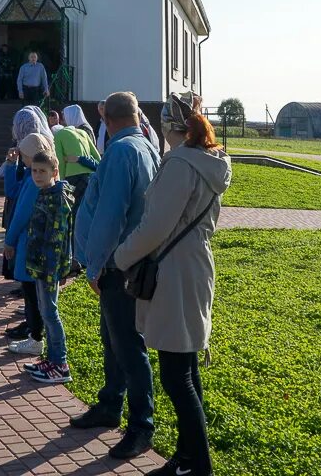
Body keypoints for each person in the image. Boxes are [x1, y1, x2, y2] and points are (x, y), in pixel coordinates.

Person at [114, 93, 231, 476]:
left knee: (176, 375)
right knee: (186, 367)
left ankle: (198, 466)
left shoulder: (180, 163)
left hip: (175, 270)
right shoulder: (210, 161)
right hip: (194, 264)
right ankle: (186, 457)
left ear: (168, 127)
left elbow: (154, 227)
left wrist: (120, 257)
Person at [72, 91, 162, 460]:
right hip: (128, 263)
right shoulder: (144, 146)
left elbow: (111, 215)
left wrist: (94, 265)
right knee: (113, 338)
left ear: (106, 118)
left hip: (116, 265)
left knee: (127, 345)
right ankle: (111, 403)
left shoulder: (122, 151)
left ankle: (142, 425)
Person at [16, 149, 75, 385]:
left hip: (49, 268)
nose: (37, 175)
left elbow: (57, 238)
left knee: (50, 313)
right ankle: (51, 359)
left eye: (43, 171)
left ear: (55, 172)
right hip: (40, 265)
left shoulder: (57, 198)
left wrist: (52, 270)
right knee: (44, 310)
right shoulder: (44, 193)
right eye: (34, 171)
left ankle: (60, 363)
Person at [3, 130, 54, 355]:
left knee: (33, 294)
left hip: (28, 242)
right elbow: (11, 190)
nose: (21, 157)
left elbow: (21, 214)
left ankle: (36, 337)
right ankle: (36, 334)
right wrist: (11, 164)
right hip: (30, 242)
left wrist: (10, 240)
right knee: (33, 293)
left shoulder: (36, 181)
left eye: (23, 154)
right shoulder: (34, 175)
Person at [55, 105, 101, 210]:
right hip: (89, 177)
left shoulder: (59, 135)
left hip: (71, 179)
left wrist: (60, 181)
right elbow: (98, 158)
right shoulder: (83, 132)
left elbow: (59, 162)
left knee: (73, 210)